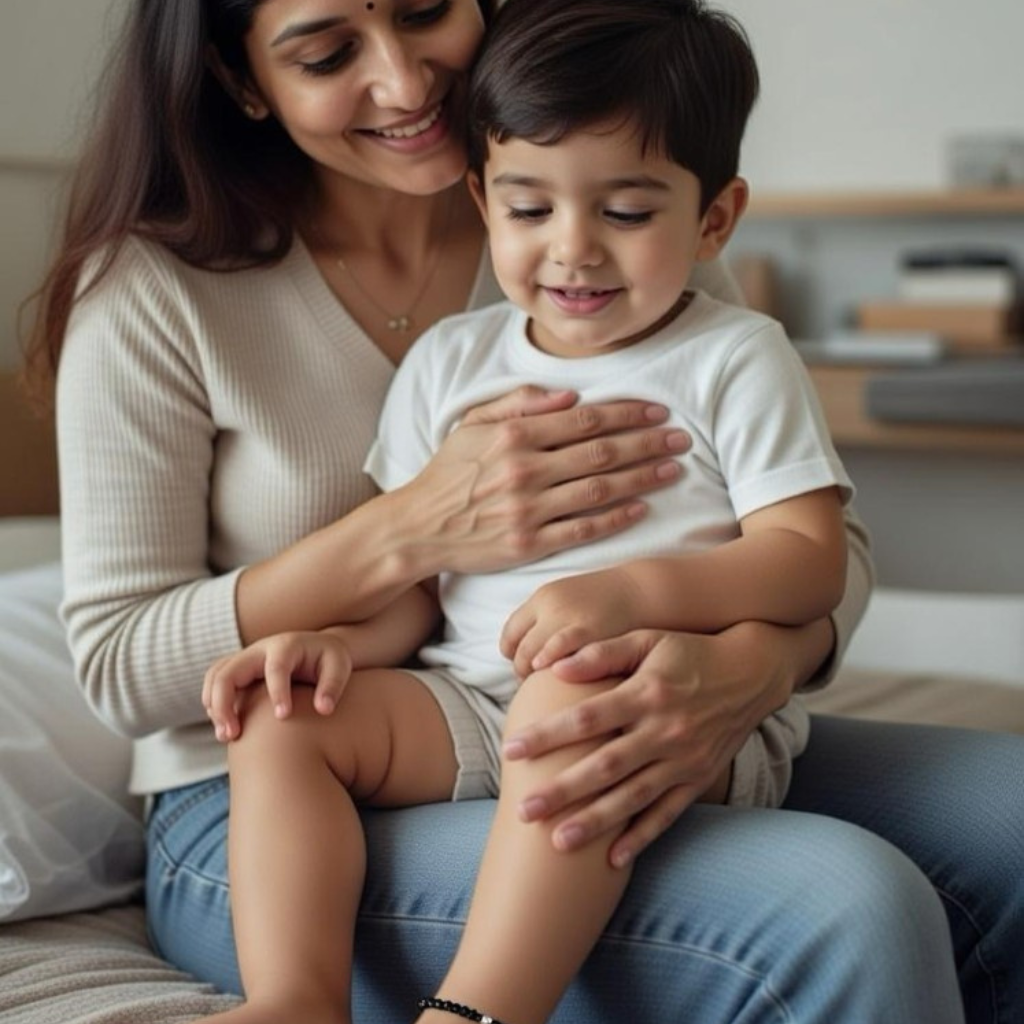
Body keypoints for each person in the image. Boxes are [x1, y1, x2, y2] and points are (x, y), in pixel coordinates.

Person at [21, 0, 1021, 1021]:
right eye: (326, 53)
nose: (406, 82)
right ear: (241, 79)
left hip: (624, 690)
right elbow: (123, 661)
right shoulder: (177, 296)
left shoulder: (619, 189)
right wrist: (389, 553)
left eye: (425, 11)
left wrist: (755, 661)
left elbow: (814, 543)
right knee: (847, 905)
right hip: (287, 793)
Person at [198, 2, 853, 1020]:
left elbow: (810, 559)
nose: (573, 250)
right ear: (484, 198)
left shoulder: (735, 355)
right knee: (283, 723)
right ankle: (294, 998)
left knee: (565, 693)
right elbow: (422, 589)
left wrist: (633, 594)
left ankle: (478, 1009)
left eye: (625, 213)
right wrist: (336, 644)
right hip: (469, 698)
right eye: (530, 208)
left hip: (665, 710)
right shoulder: (450, 361)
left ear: (715, 220)